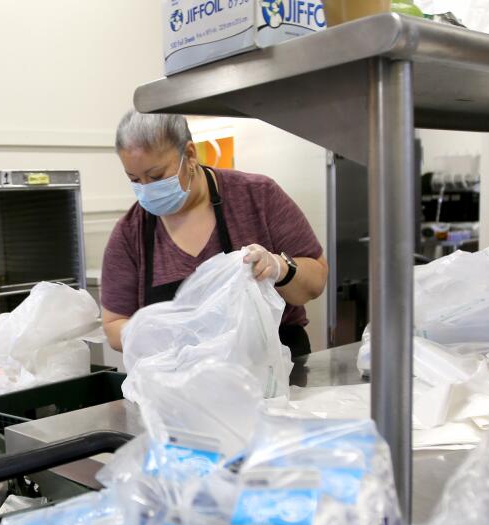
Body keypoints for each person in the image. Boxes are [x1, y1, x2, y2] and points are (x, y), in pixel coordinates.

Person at [100, 111, 328, 358]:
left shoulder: (257, 196)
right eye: (135, 179)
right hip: (180, 380)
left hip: (275, 372)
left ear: (189, 154)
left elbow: (316, 282)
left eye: (156, 176)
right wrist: (171, 333)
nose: (147, 188)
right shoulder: (130, 233)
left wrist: (280, 268)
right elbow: (114, 326)